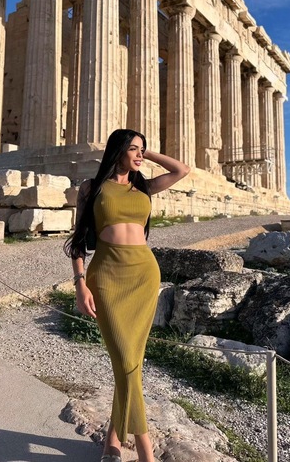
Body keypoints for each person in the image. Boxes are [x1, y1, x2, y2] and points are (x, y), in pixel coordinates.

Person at [64, 129, 190, 462]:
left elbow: (182, 170)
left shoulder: (144, 186)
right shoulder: (91, 188)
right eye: (132, 148)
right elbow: (78, 241)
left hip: (143, 276)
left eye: (141, 149)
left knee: (130, 363)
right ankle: (146, 451)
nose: (138, 154)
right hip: (106, 276)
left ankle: (113, 442)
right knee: (124, 360)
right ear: (117, 150)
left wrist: (146, 154)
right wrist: (79, 284)